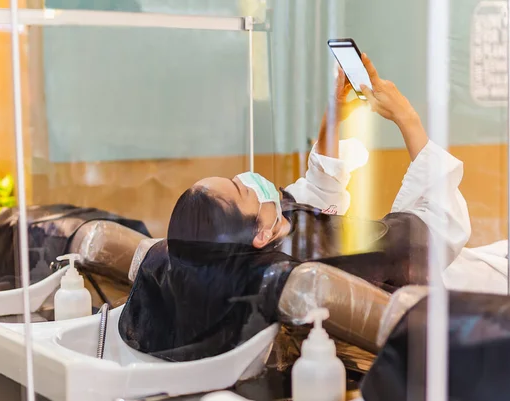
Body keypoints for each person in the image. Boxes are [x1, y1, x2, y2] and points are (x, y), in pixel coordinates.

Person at [118, 54, 472, 362]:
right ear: (261, 234)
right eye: (242, 189)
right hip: (458, 293)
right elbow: (439, 229)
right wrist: (407, 118)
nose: (248, 178)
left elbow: (317, 193)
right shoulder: (332, 265)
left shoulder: (249, 256)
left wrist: (332, 117)